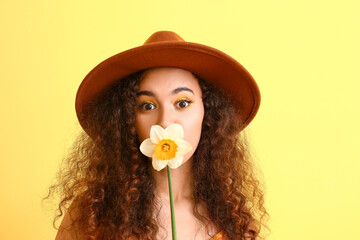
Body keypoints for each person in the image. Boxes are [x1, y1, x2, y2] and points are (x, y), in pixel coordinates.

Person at [50, 31, 268, 240]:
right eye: (147, 105)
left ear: (208, 112)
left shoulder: (233, 217)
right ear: (127, 119)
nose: (164, 121)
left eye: (182, 103)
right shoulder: (91, 214)